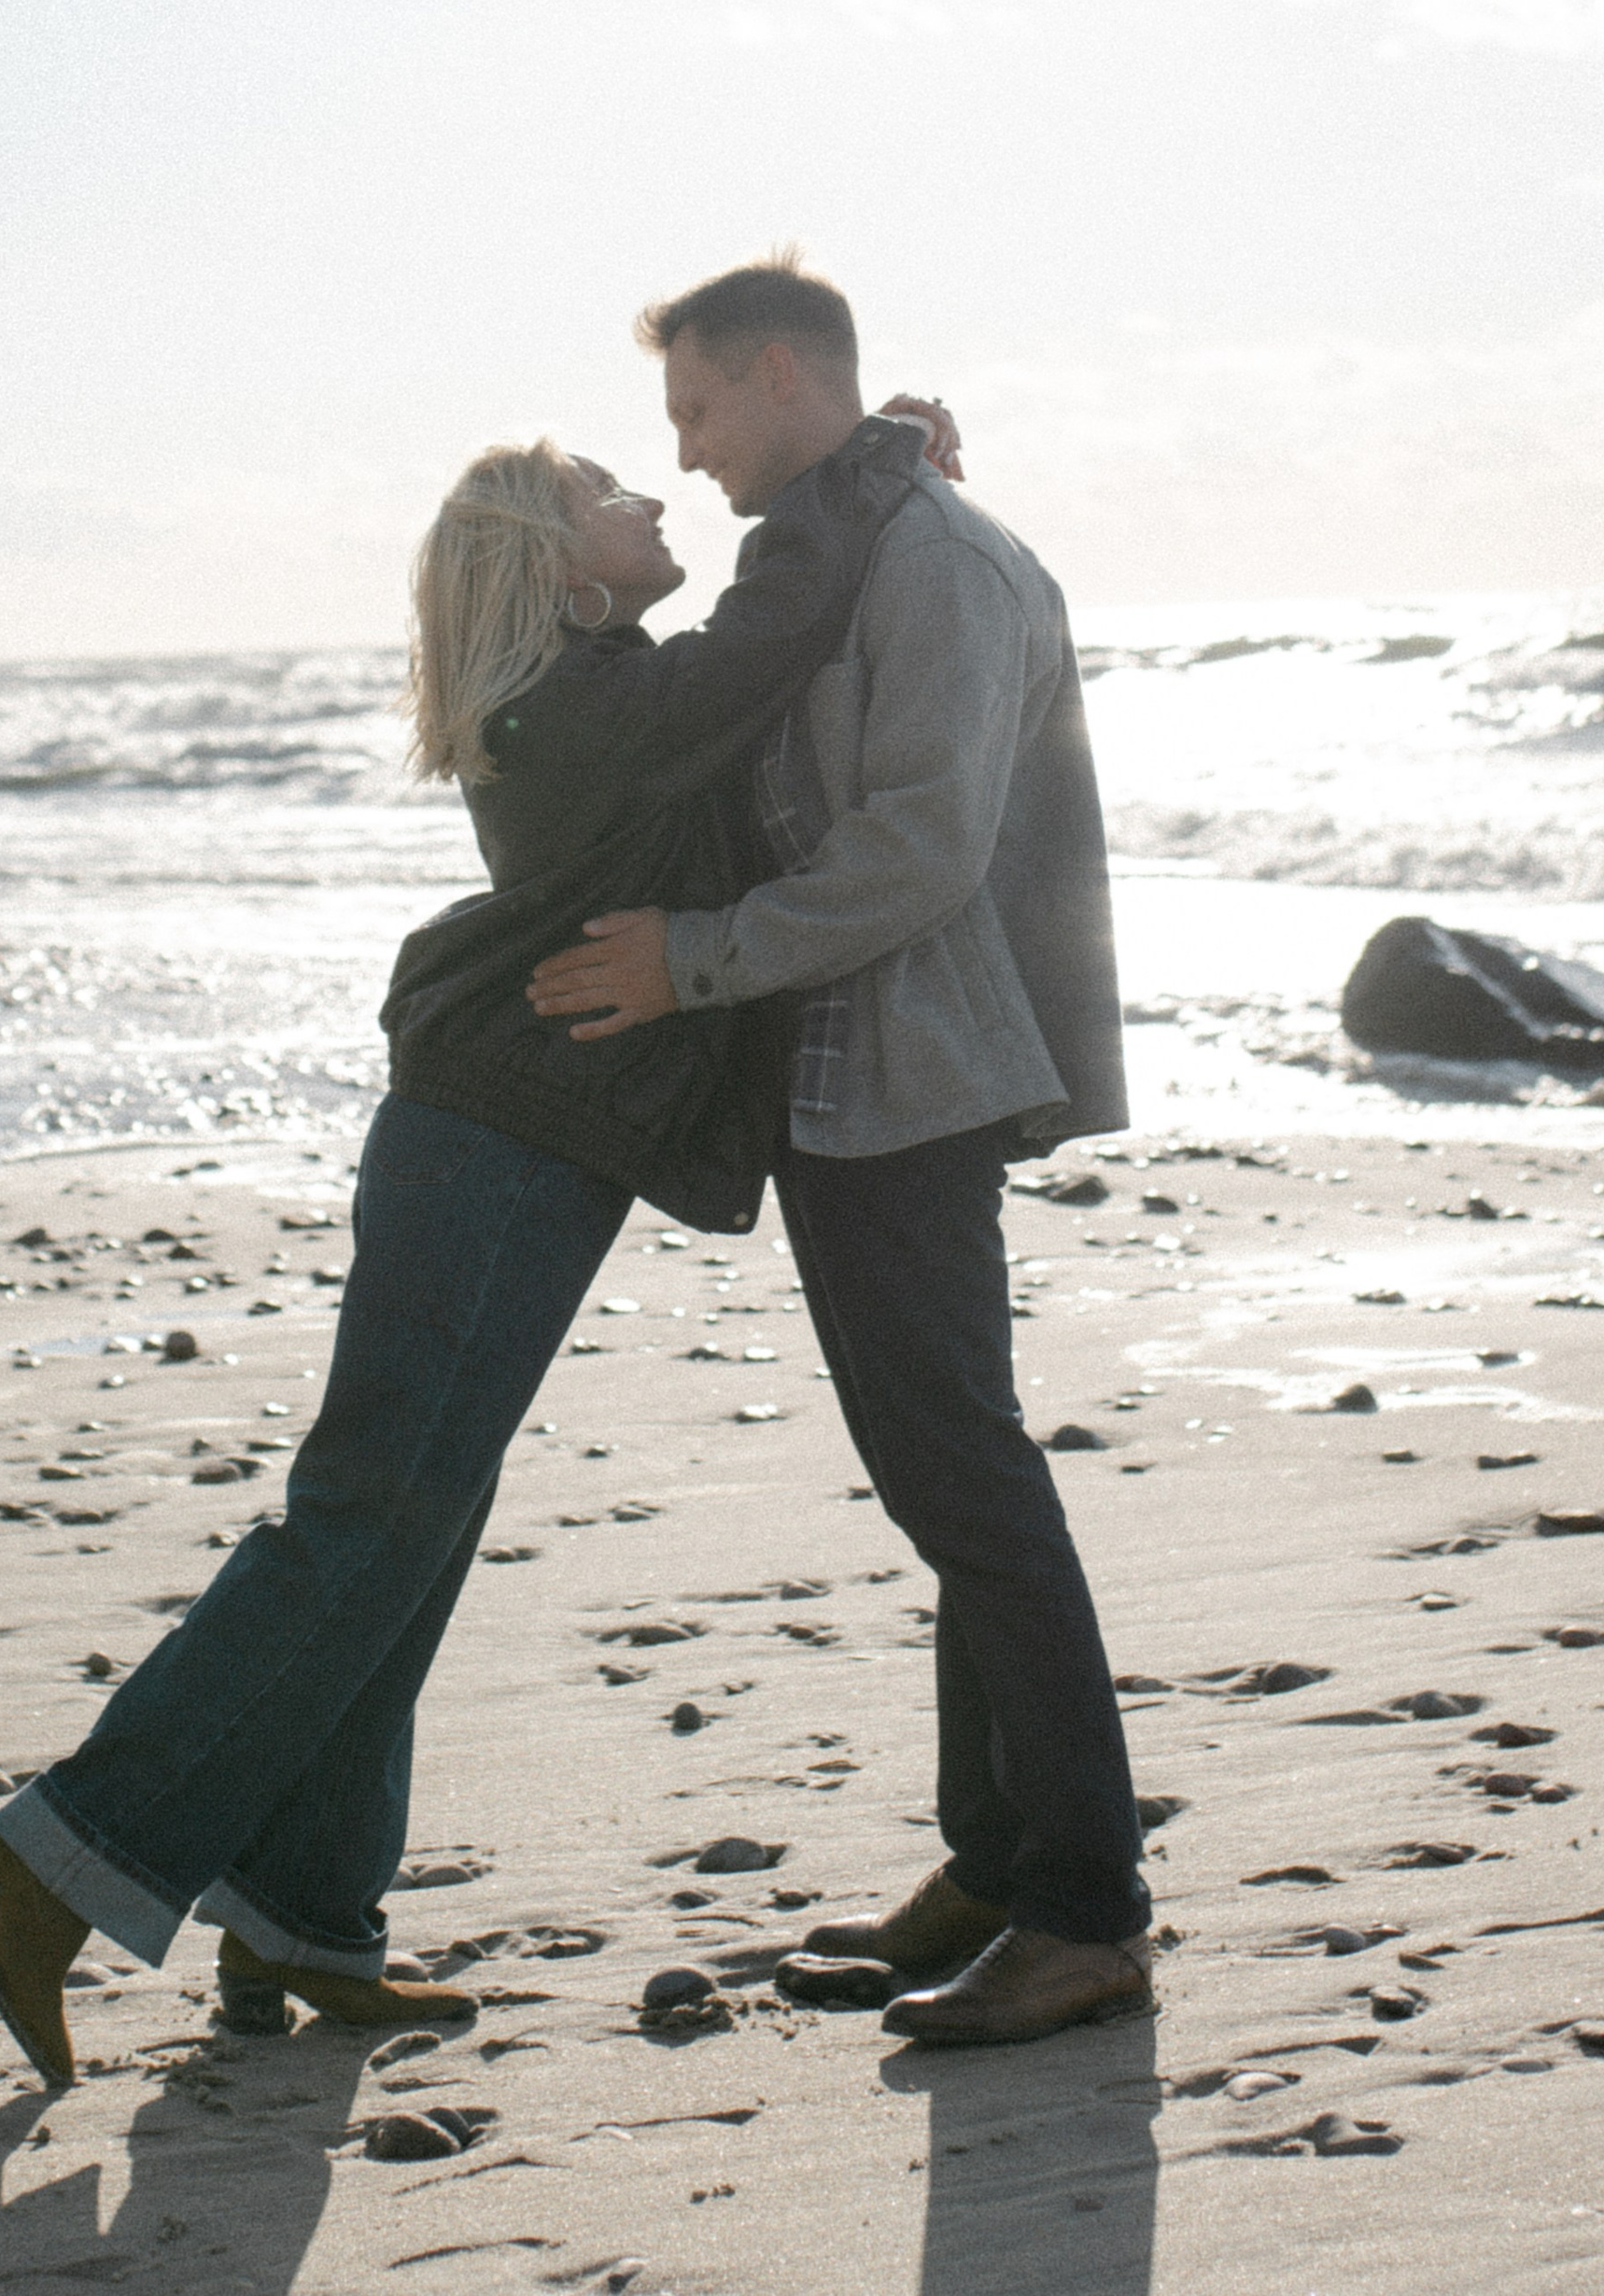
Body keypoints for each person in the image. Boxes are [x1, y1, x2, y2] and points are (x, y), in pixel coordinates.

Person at [0, 401, 940, 2090]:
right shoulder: (574, 709)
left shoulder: (582, 701)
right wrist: (869, 470)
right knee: (366, 1518)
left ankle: (306, 1923)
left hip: (518, 1149)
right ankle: (63, 1857)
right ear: (552, 564)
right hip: (490, 1148)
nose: (647, 491)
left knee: (414, 1523)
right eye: (606, 490)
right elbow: (768, 636)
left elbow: (739, 662)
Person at [528, 256, 1153, 2049]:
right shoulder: (855, 541)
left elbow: (918, 852)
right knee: (945, 1479)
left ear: (785, 372)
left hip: (917, 1081)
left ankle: (1088, 1909)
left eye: (699, 410)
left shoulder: (940, 561)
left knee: (973, 1486)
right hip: (847, 1076)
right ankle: (994, 1863)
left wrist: (692, 961)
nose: (694, 453)